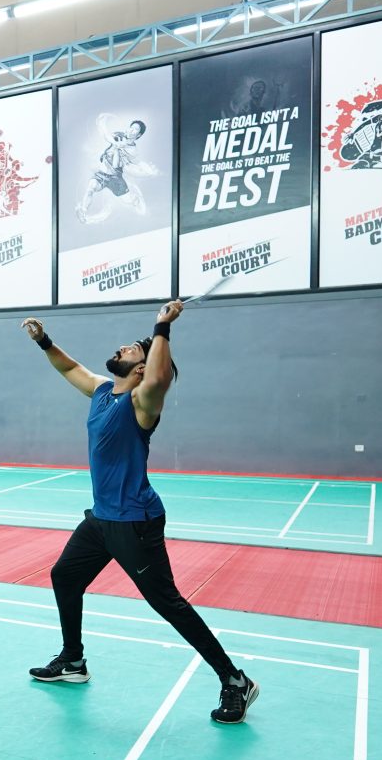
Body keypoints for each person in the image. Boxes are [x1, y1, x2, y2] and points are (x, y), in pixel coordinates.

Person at [19, 301, 258, 723]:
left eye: (132, 349)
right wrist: (44, 341)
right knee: (65, 576)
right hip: (102, 519)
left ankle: (235, 680)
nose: (122, 347)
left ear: (142, 369)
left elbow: (161, 378)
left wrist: (162, 326)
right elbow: (69, 367)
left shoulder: (142, 402)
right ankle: (73, 660)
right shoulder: (101, 392)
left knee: (166, 602)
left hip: (134, 522)